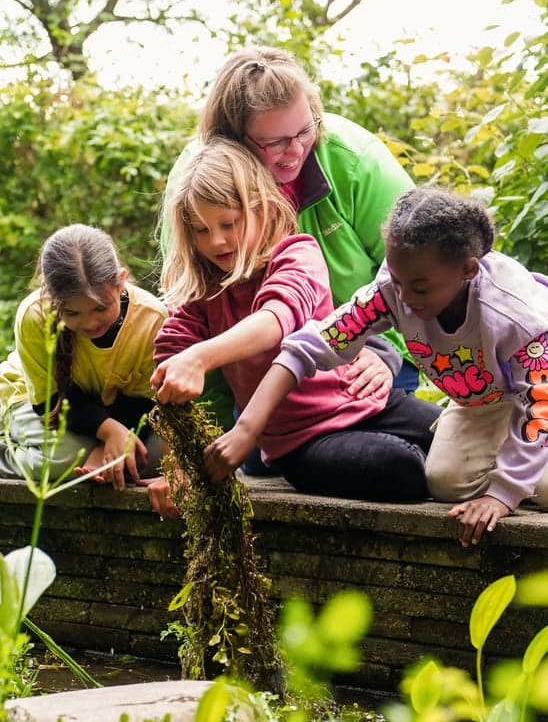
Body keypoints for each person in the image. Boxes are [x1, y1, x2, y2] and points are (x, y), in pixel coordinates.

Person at [206, 188, 548, 547]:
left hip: (537, 394)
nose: (405, 300)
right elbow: (310, 346)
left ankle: (531, 468)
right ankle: (527, 459)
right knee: (446, 483)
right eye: (398, 283)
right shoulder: (394, 287)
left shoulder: (516, 316)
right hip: (484, 402)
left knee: (541, 491)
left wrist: (502, 494)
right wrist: (246, 428)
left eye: (419, 289)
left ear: (467, 269)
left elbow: (539, 403)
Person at [147, 139, 440, 518]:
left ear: (262, 210)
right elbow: (169, 360)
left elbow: (275, 322)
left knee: (454, 434)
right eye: (201, 231)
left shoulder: (298, 254)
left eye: (228, 224)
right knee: (401, 469)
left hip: (368, 404)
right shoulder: (203, 291)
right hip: (301, 442)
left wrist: (199, 357)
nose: (216, 241)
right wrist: (176, 465)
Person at [158, 45, 419, 467]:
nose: (295, 150)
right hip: (264, 389)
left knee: (419, 452)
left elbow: (423, 262)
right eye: (275, 141)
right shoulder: (199, 183)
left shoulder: (353, 158)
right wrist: (206, 442)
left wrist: (386, 349)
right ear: (234, 140)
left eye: (305, 131)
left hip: (366, 360)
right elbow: (192, 319)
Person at [0, 224, 167, 491]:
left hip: (118, 413)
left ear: (121, 281)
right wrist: (108, 432)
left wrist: (109, 444)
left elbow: (145, 402)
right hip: (40, 406)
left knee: (153, 456)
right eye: (73, 314)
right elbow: (48, 403)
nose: (90, 323)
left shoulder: (152, 319)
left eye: (100, 308)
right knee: (67, 457)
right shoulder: (34, 315)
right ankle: (7, 451)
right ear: (52, 298)